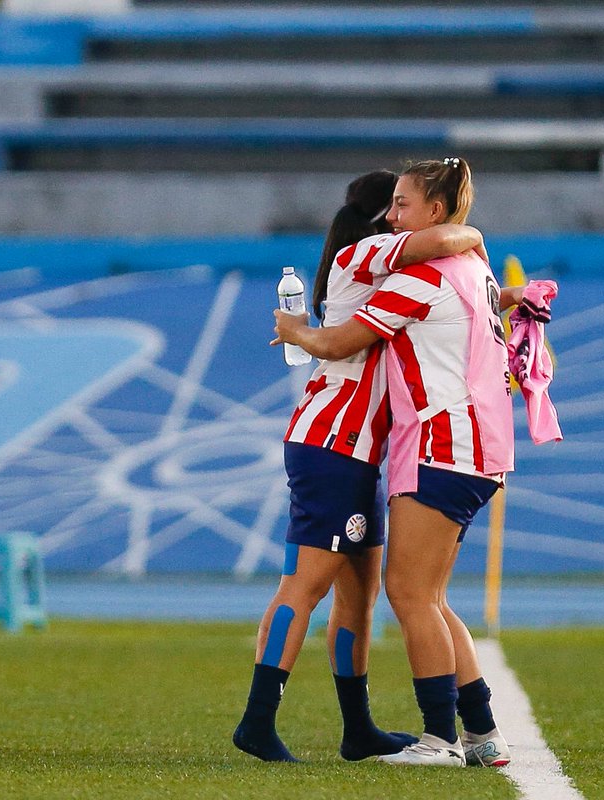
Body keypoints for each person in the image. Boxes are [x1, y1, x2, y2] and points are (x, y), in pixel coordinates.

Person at [273, 157, 550, 767]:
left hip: (442, 443)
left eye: (402, 205)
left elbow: (339, 342)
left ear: (435, 212)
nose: (392, 218)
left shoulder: (423, 276)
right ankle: (480, 734)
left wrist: (295, 331)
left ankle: (439, 740)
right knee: (432, 595)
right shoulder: (472, 269)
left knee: (409, 593)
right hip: (477, 446)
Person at [233, 169, 490, 763]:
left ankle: (358, 729)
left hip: (358, 451)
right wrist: (467, 230)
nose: (402, 217)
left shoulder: (381, 271)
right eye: (395, 207)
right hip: (331, 443)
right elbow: (441, 240)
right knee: (305, 582)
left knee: (359, 597)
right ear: (382, 219)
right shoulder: (366, 252)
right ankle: (257, 721)